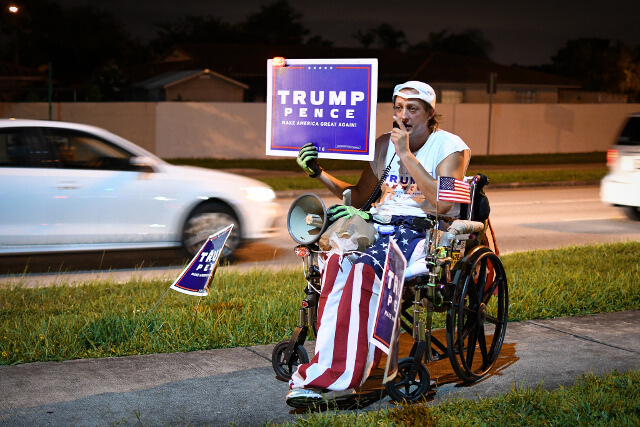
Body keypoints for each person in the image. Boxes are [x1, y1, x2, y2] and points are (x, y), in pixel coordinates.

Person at [285, 81, 470, 407]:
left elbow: (445, 204)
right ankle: (327, 365)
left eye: (412, 109)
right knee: (335, 264)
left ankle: (342, 376)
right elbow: (359, 196)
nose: (403, 115)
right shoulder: (384, 144)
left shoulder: (450, 146)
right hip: (378, 228)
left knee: (362, 273)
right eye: (398, 108)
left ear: (429, 113)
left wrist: (406, 155)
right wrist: (319, 173)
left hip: (421, 233)